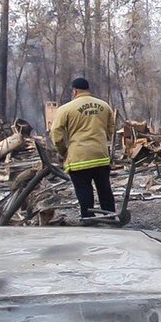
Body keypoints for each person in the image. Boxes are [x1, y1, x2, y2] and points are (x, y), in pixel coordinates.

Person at [51, 77, 117, 218]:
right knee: (104, 189)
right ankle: (110, 216)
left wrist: (63, 151)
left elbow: (56, 133)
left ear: (74, 91)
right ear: (88, 90)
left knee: (84, 190)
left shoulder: (66, 109)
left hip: (78, 158)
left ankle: (88, 218)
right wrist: (102, 141)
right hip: (100, 156)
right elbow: (111, 129)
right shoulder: (104, 106)